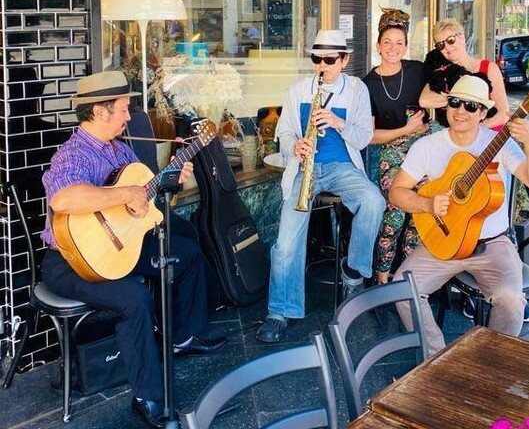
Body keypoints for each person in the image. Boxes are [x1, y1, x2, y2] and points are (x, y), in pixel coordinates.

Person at [41, 71, 227, 429]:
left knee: (186, 254)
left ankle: (182, 337)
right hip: (70, 261)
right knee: (134, 298)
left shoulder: (120, 148)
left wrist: (169, 181)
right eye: (124, 109)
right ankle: (148, 398)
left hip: (118, 246)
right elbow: (64, 198)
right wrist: (124, 195)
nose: (129, 116)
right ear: (99, 111)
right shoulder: (74, 153)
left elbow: (144, 197)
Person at [389, 75, 529, 356]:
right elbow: (397, 193)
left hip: (492, 243)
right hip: (445, 240)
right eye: (455, 103)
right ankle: (436, 362)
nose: (461, 111)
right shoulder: (427, 146)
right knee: (402, 288)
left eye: (471, 107)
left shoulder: (499, 145)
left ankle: (488, 366)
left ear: (484, 113)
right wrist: (426, 205)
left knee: (511, 301)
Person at [256, 30, 385, 343]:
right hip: (305, 168)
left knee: (374, 201)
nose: (322, 66)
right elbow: (284, 134)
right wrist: (294, 148)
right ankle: (279, 311)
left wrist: (339, 124)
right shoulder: (298, 89)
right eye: (317, 59)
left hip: (342, 167)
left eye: (329, 60)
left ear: (344, 60)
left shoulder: (356, 89)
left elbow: (364, 136)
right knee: (286, 241)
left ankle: (353, 271)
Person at [363, 8, 428, 284]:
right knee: (395, 213)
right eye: (387, 42)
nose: (393, 48)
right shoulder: (367, 84)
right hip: (390, 151)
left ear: (406, 46)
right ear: (378, 46)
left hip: (423, 148)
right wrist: (405, 129)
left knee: (421, 212)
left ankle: (409, 277)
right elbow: (369, 136)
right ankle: (382, 276)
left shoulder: (417, 70)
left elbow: (440, 94)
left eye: (399, 42)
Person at [420, 18, 510, 130]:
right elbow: (424, 101)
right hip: (456, 140)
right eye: (441, 45)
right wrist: (457, 98)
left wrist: (469, 130)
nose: (447, 47)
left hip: (489, 137)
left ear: (462, 37)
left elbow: (503, 115)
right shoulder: (442, 72)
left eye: (451, 40)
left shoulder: (488, 68)